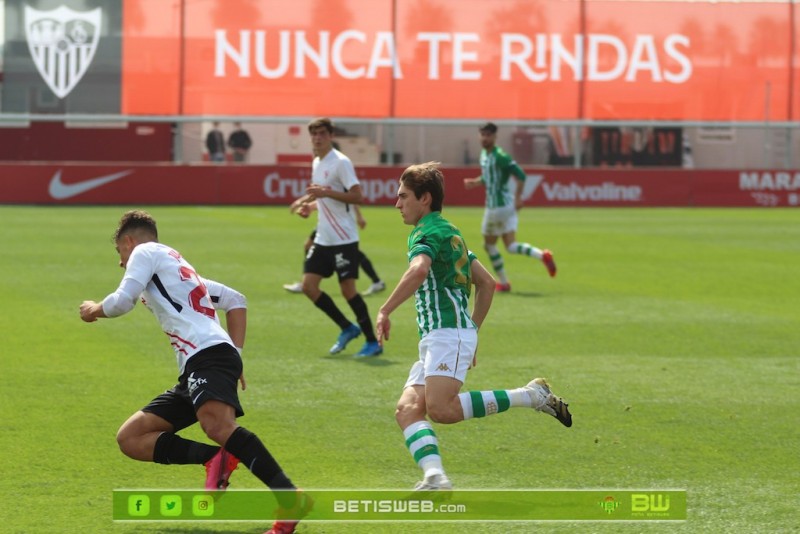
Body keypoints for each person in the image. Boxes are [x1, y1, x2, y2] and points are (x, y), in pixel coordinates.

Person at [79, 210, 311, 534]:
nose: (122, 263)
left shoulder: (145, 252)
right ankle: (216, 459)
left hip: (208, 356)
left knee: (217, 424)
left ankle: (290, 498)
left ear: (129, 242)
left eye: (120, 254)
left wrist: (93, 309)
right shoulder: (176, 271)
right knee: (131, 438)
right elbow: (234, 299)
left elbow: (121, 302)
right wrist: (236, 356)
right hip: (198, 365)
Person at [376, 162, 572, 490]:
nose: (397, 204)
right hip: (443, 336)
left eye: (403, 196)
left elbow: (419, 270)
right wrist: (472, 330)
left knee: (442, 409)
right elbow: (487, 282)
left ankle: (531, 396)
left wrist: (385, 309)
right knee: (407, 409)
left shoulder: (425, 233)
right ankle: (435, 477)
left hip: (446, 333)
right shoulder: (448, 232)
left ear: (424, 199)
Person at [289, 117, 382, 358]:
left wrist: (324, 193)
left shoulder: (341, 162)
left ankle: (373, 342)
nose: (317, 138)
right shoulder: (317, 161)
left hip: (343, 238)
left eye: (321, 133)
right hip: (323, 237)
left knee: (348, 290)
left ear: (331, 136)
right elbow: (323, 196)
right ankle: (347, 327)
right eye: (314, 134)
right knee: (309, 286)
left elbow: (357, 196)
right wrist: (310, 206)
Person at [463, 122, 557, 292]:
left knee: (489, 245)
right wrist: (475, 182)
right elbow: (488, 177)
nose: (484, 138)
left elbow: (520, 175)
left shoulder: (500, 156)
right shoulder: (485, 154)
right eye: (482, 134)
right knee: (510, 246)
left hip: (497, 208)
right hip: (506, 206)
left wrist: (520, 198)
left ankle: (504, 282)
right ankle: (542, 255)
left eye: (488, 135)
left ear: (495, 136)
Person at [283, 204, 386, 297]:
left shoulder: (340, 183)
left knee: (352, 252)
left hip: (336, 221)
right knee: (309, 245)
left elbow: (352, 194)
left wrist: (359, 216)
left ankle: (306, 283)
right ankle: (376, 281)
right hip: (327, 220)